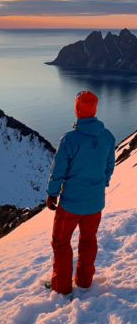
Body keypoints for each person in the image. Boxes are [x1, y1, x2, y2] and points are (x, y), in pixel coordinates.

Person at [45, 90, 115, 296]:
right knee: (88, 241)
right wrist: (100, 185)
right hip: (95, 203)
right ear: (93, 109)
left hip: (71, 204)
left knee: (61, 243)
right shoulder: (108, 136)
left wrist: (52, 194)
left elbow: (58, 172)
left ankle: (61, 287)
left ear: (77, 109)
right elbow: (109, 167)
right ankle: (84, 282)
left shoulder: (69, 140)